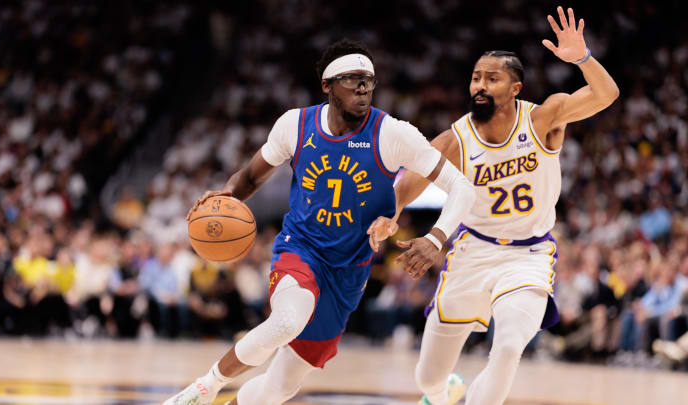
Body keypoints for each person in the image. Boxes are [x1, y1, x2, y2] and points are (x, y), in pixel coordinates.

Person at [163, 38, 476, 405]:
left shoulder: (393, 134)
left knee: (280, 388)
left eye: (368, 80)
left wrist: (436, 237)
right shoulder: (295, 125)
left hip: (348, 272)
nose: (362, 87)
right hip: (301, 249)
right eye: (351, 79)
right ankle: (205, 387)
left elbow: (461, 188)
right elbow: (249, 177)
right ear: (327, 85)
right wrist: (225, 197)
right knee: (286, 322)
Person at [368, 7, 619, 405]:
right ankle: (441, 395)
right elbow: (409, 181)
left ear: (515, 87)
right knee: (428, 376)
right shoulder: (457, 139)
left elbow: (607, 95)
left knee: (506, 350)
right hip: (472, 251)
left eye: (491, 78)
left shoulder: (542, 118)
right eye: (475, 77)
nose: (480, 85)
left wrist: (583, 60)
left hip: (529, 256)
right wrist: (391, 214)